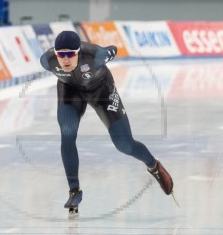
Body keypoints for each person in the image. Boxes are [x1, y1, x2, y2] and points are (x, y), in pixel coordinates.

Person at [39, 30, 174, 215]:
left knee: (124, 144)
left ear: (78, 52)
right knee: (67, 133)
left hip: (101, 90)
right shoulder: (47, 61)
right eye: (61, 54)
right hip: (70, 90)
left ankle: (153, 166)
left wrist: (109, 51)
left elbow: (113, 49)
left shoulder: (94, 56)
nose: (65, 59)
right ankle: (74, 190)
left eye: (70, 54)